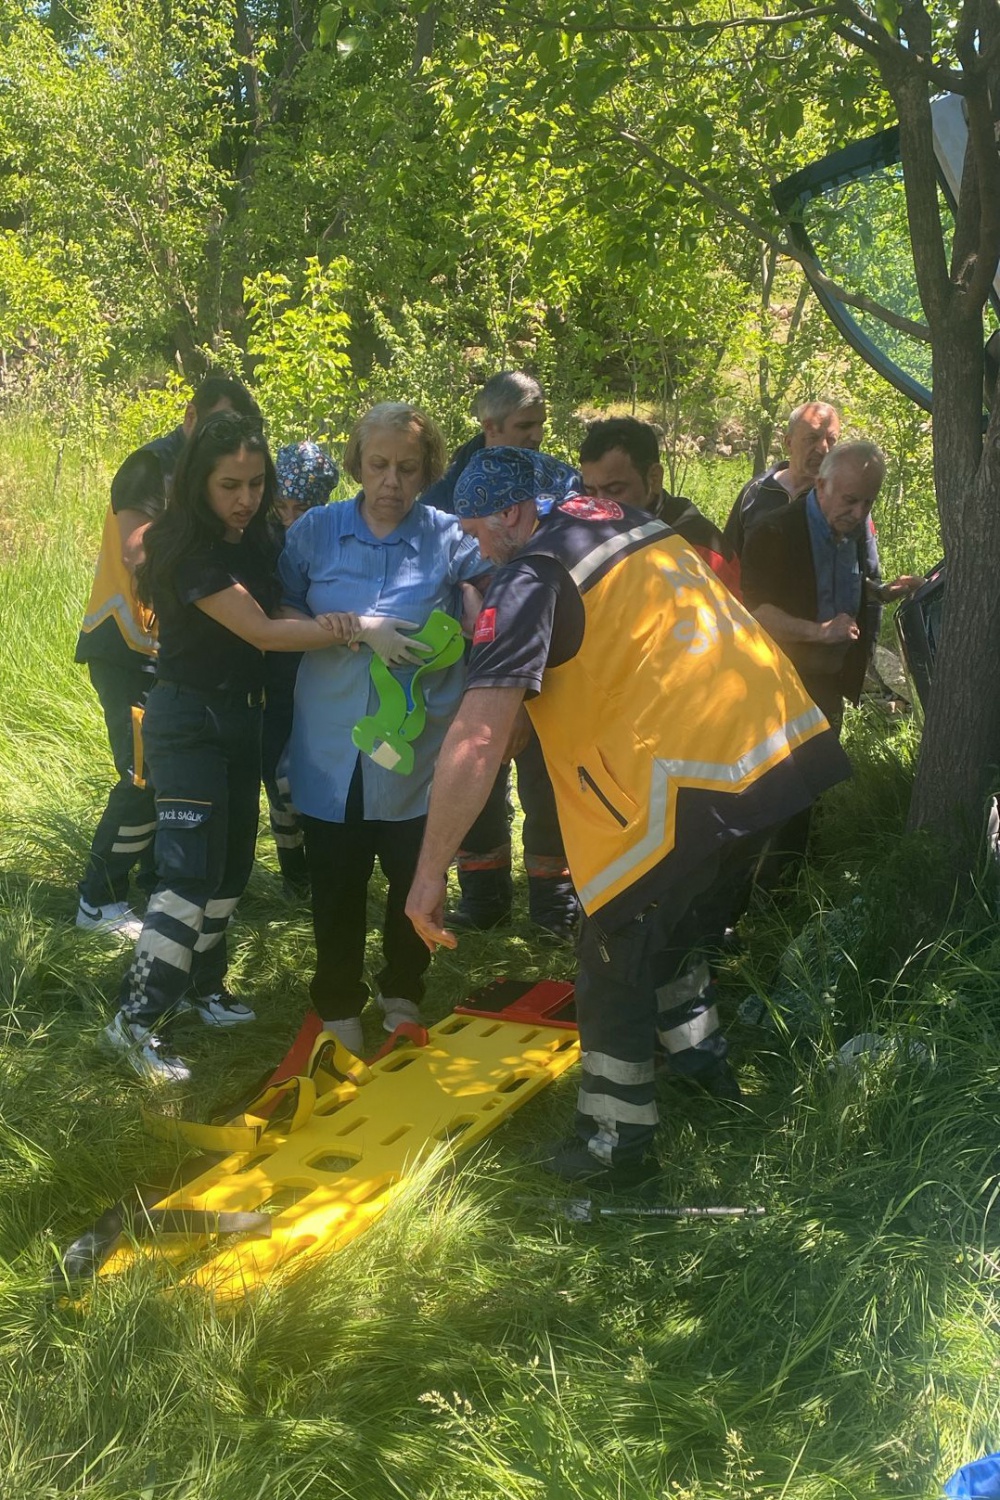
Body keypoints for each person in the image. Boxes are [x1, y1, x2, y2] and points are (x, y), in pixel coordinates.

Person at [405, 446, 851, 1185]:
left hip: (687, 780)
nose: (474, 546)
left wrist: (428, 877)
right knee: (672, 932)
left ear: (515, 512)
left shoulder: (531, 571)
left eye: (477, 528)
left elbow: (479, 735)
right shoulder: (630, 523)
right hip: (777, 750)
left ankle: (615, 1146)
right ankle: (704, 1073)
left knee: (612, 951)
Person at [103, 413, 359, 1084]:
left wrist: (335, 623)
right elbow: (263, 629)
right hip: (186, 720)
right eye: (229, 485)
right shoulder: (185, 549)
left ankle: (203, 987)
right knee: (186, 876)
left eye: (255, 483)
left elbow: (283, 609)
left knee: (228, 875)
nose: (246, 499)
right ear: (197, 484)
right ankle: (133, 1021)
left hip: (243, 719)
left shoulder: (256, 539)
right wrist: (353, 631)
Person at [278, 402, 491, 1057]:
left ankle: (403, 991)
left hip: (416, 755)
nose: (391, 481)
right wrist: (340, 631)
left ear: (428, 470)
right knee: (337, 883)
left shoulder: (448, 536)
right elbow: (282, 612)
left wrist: (472, 636)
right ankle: (338, 1002)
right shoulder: (315, 532)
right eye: (378, 466)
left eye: (406, 467)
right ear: (356, 465)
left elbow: (485, 603)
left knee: (413, 877)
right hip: (330, 745)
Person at [75, 373, 259, 941]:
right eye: (215, 426)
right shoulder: (150, 467)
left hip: (178, 653)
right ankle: (97, 899)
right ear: (189, 417)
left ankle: (162, 896)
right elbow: (137, 551)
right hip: (127, 643)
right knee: (142, 774)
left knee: (173, 782)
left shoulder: (223, 476)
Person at [423, 371, 577, 937]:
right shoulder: (445, 489)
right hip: (469, 654)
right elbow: (432, 566)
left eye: (540, 425)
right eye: (524, 427)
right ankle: (482, 898)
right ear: (490, 427)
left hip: (546, 655)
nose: (536, 436)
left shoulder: (553, 479)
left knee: (545, 776)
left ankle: (553, 906)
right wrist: (469, 593)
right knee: (475, 769)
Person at [741, 440, 921, 735]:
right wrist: (821, 632)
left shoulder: (853, 527)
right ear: (822, 485)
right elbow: (756, 615)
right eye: (850, 500)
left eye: (868, 502)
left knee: (823, 777)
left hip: (830, 684)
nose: (859, 512)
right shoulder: (774, 531)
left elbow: (839, 582)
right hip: (779, 684)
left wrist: (882, 592)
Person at [262, 441, 340, 892]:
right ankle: (294, 873)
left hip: (323, 669)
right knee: (278, 775)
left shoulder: (335, 534)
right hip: (273, 673)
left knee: (318, 771)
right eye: (282, 506)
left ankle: (329, 865)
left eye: (303, 507)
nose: (290, 517)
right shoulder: (260, 535)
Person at [579, 416, 741, 594]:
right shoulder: (582, 528)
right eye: (590, 492)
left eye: (615, 490)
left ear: (654, 479)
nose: (600, 507)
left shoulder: (698, 549)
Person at [721, 400, 840, 565]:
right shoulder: (756, 492)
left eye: (831, 440)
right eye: (812, 438)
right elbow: (727, 560)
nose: (823, 448)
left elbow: (866, 572)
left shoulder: (843, 501)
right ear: (789, 443)